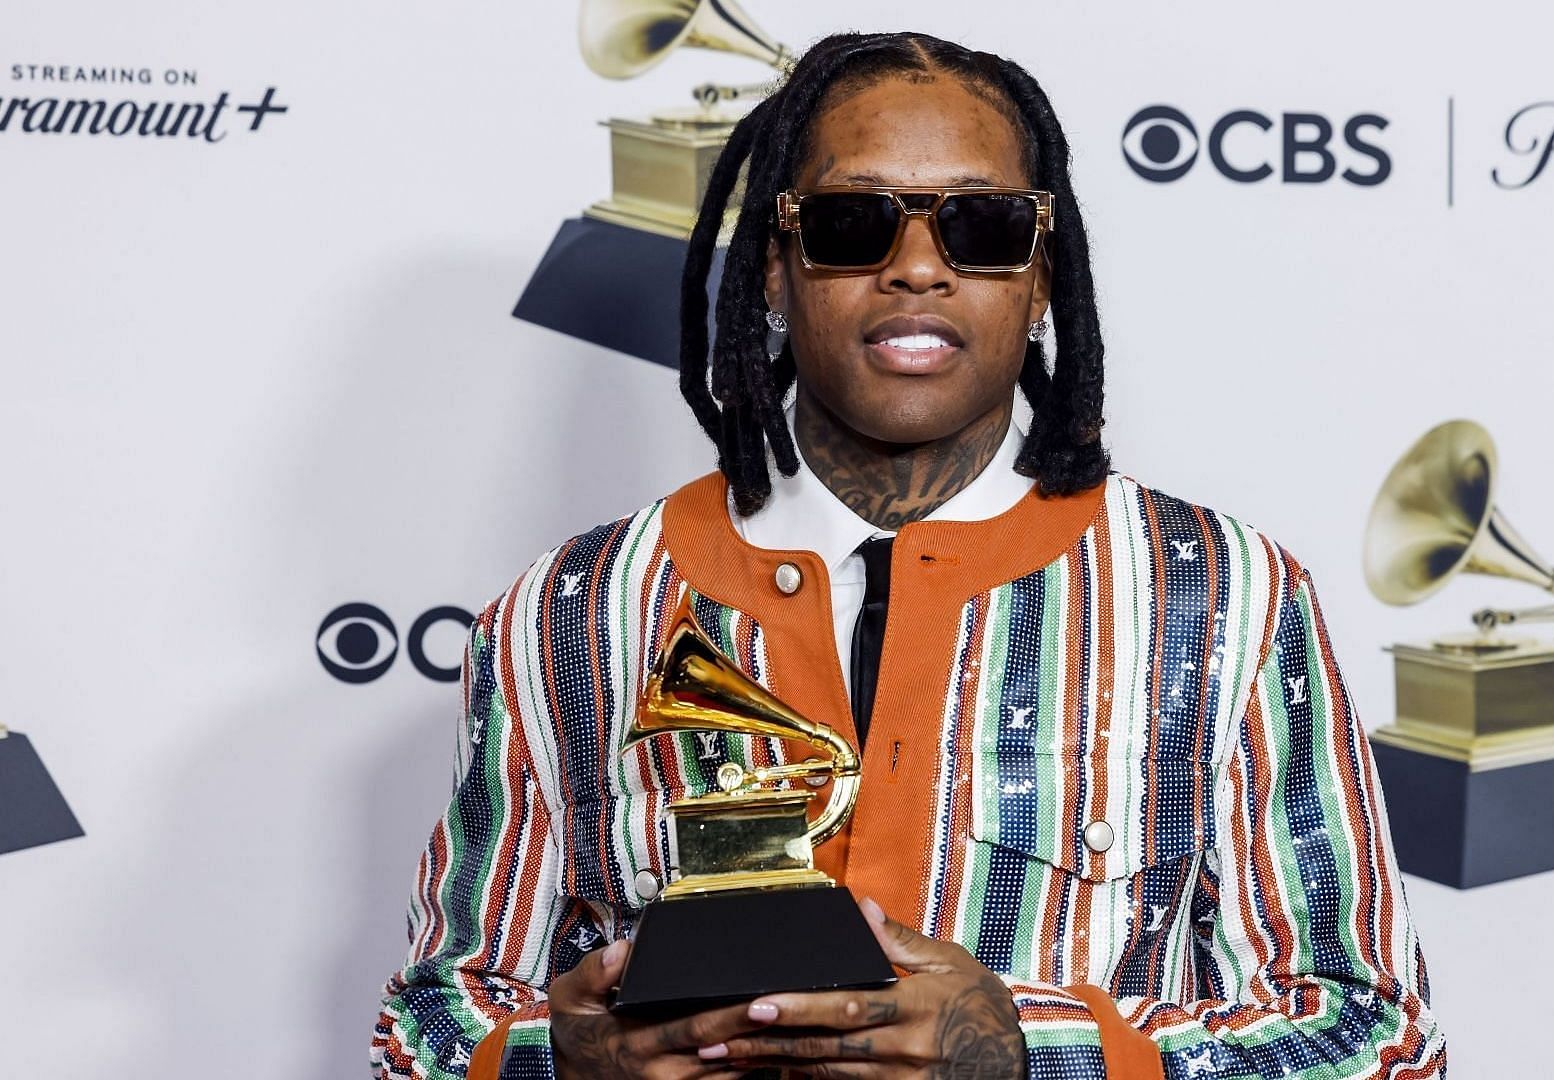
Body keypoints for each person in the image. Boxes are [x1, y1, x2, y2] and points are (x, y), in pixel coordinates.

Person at [372, 30, 1446, 1080]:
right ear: (774, 272)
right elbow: (425, 1030)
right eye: (852, 222)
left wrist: (1032, 1051)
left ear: (1039, 280)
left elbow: (1377, 1041)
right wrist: (558, 1061)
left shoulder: (1223, 598)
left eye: (982, 225)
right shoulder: (568, 609)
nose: (918, 267)